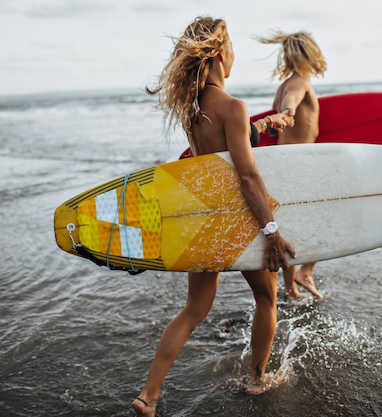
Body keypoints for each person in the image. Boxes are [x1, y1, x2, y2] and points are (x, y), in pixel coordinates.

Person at [132, 17, 296, 417]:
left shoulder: (192, 110)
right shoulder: (233, 107)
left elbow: (214, 157)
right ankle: (258, 379)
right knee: (265, 297)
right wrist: (271, 232)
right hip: (239, 224)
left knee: (194, 310)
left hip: (204, 222)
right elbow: (246, 175)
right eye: (234, 48)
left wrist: (260, 126)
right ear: (222, 54)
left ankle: (148, 396)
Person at [256, 30, 328, 300]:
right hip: (300, 164)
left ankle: (291, 288)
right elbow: (292, 102)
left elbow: (275, 130)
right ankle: (305, 272)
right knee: (324, 217)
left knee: (294, 225)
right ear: (311, 54)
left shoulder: (284, 84)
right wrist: (289, 111)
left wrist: (282, 115)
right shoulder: (300, 83)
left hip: (284, 164)